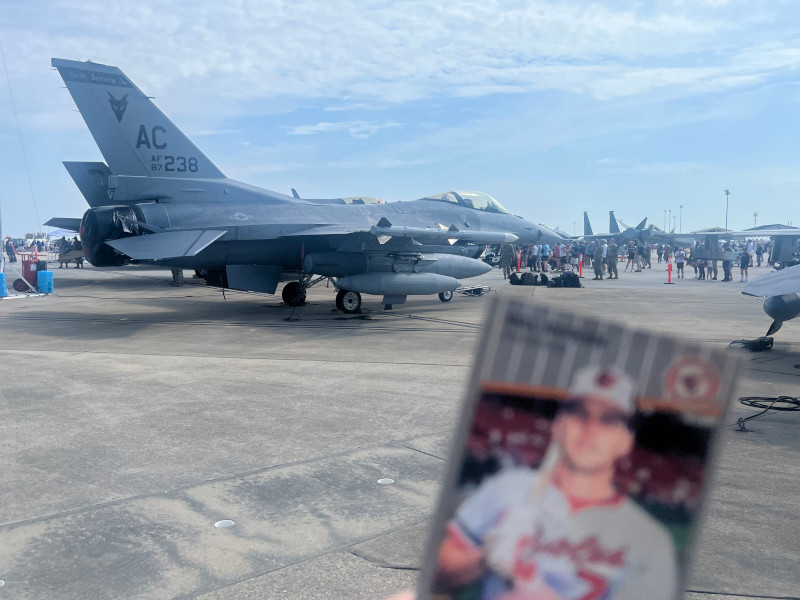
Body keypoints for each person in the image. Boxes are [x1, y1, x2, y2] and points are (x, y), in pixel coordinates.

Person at [434, 366, 677, 600]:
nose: (590, 428)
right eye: (579, 413)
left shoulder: (651, 539)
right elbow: (436, 576)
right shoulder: (508, 487)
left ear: (626, 442)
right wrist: (484, 557)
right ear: (559, 426)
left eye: (609, 420)